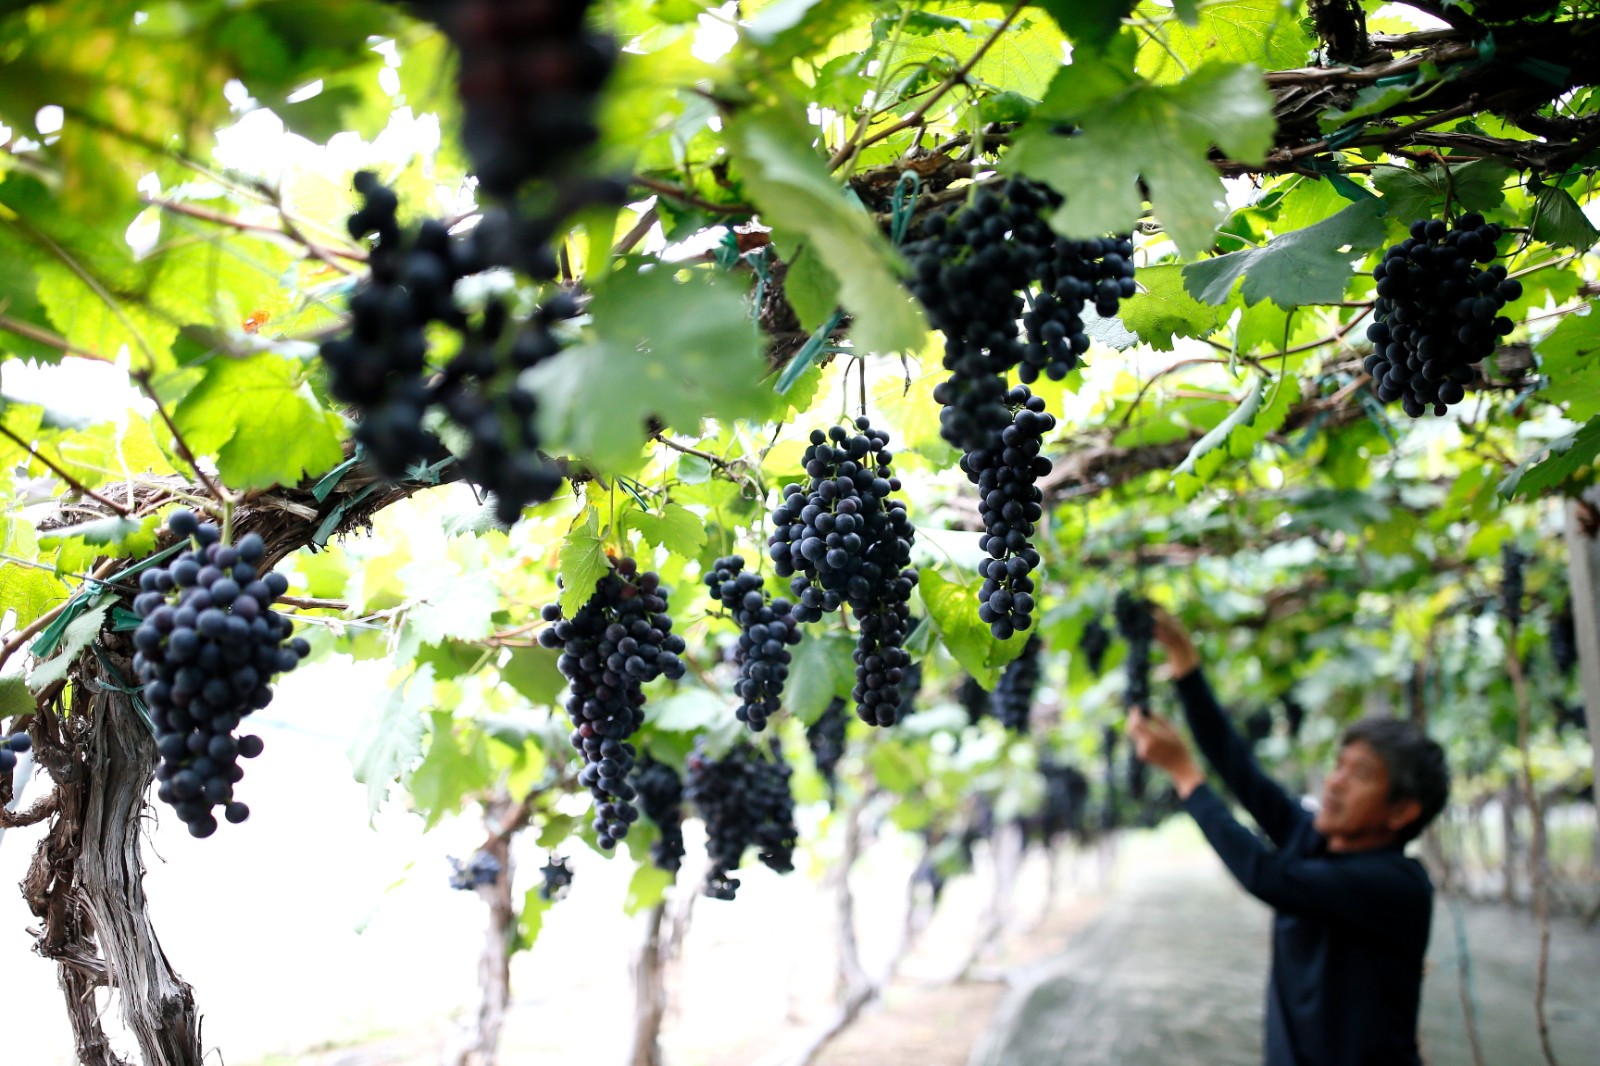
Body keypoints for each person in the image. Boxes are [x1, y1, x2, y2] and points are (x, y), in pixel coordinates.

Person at [1126, 607, 1450, 1066]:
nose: (1335, 782)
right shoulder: (1315, 839)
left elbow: (1265, 875)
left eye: (1359, 774)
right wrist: (1183, 659)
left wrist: (1185, 776)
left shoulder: (1395, 883)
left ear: (1402, 811)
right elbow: (1239, 768)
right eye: (1338, 765)